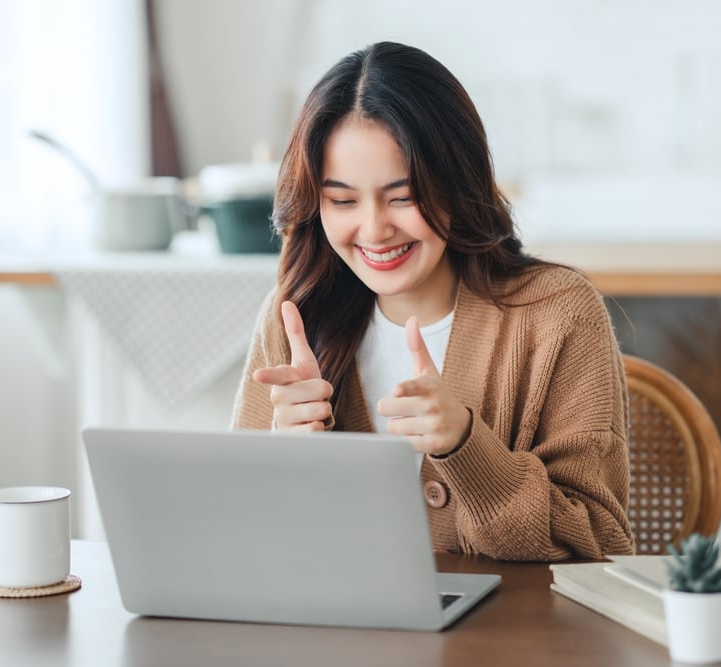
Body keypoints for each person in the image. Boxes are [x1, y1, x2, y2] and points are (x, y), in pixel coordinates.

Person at [231, 41, 634, 561]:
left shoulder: (558, 315)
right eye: (343, 200)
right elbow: (242, 542)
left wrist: (466, 446)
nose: (375, 230)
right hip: (338, 638)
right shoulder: (295, 315)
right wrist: (283, 462)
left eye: (403, 196)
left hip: (508, 639)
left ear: (457, 183)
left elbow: (601, 542)